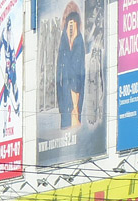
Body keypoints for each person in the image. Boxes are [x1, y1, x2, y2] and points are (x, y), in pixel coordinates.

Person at [56, 2, 85, 130]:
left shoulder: (79, 41)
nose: (71, 26)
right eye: (68, 22)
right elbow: (59, 74)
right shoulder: (63, 41)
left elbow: (79, 71)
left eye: (74, 22)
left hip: (75, 95)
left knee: (75, 126)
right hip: (65, 96)